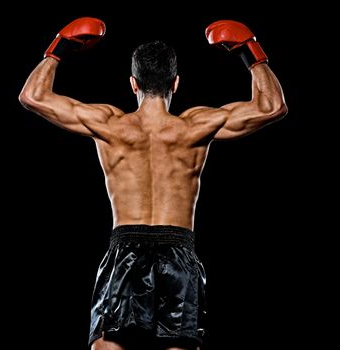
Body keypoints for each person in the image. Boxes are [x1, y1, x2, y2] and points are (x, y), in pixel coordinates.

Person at [19, 17, 287, 350]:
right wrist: (251, 52)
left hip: (125, 250)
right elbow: (272, 106)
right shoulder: (195, 127)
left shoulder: (109, 124)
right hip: (179, 251)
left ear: (133, 83)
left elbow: (32, 96)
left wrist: (58, 49)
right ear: (175, 83)